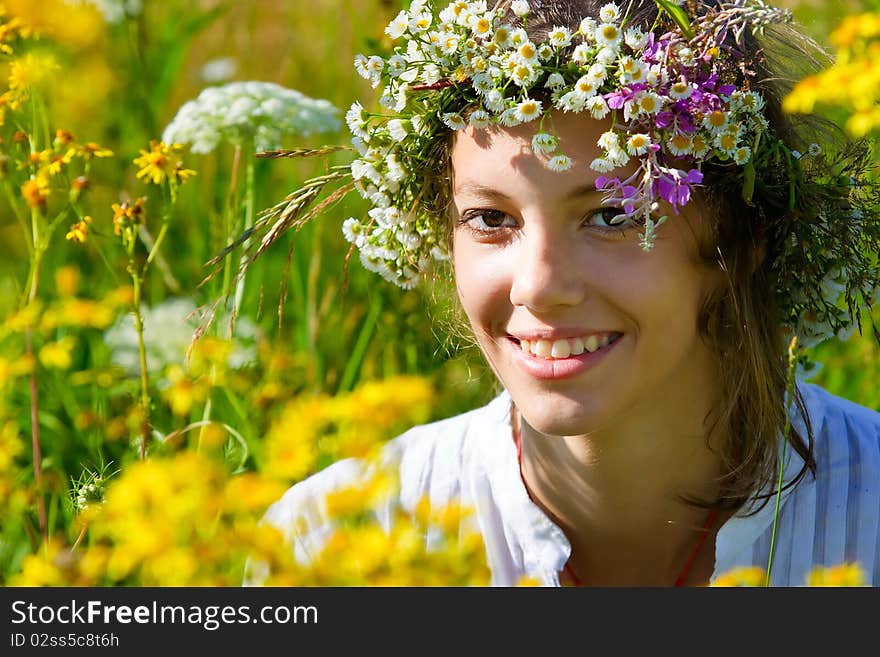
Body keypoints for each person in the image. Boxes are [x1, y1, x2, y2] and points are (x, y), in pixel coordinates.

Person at [245, 0, 880, 586]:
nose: (539, 287)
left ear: (744, 237)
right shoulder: (325, 544)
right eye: (491, 220)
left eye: (612, 216)